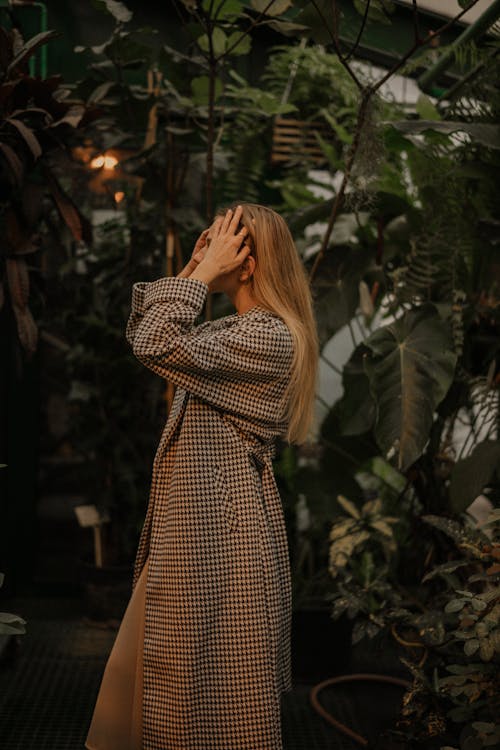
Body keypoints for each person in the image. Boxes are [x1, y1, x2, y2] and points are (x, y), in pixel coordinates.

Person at [85, 203, 319, 750]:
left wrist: (200, 277)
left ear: (248, 261)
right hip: (197, 534)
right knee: (173, 694)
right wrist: (194, 273)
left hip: (221, 542)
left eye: (221, 243)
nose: (209, 248)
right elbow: (151, 328)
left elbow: (155, 341)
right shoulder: (235, 330)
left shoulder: (266, 338)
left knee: (210, 708)